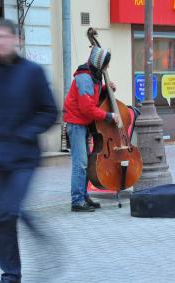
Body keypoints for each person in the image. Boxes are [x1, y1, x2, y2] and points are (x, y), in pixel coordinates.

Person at [0, 18, 58, 282]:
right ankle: (10, 274)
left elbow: (50, 112)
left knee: (11, 210)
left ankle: (40, 236)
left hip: (25, 157)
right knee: (3, 218)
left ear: (17, 40)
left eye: (2, 37)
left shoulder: (33, 72)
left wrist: (26, 132)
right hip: (0, 158)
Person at [63, 46, 119, 212]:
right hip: (76, 123)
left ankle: (83, 196)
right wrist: (108, 116)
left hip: (83, 123)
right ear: (99, 63)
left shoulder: (93, 76)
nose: (106, 68)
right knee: (80, 163)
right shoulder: (85, 78)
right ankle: (77, 201)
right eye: (105, 65)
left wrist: (106, 88)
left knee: (85, 162)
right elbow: (87, 107)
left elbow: (92, 97)